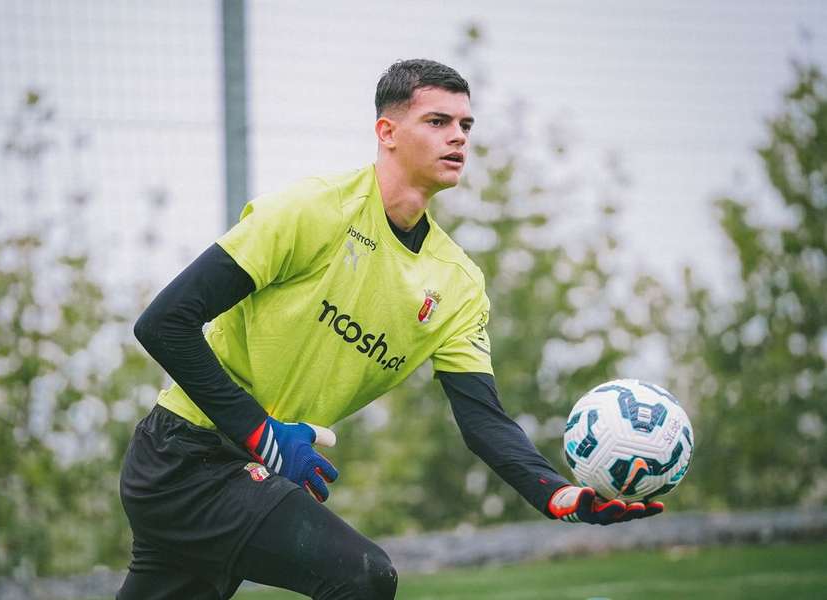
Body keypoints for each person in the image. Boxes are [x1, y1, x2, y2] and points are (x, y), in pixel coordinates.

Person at [117, 58, 664, 600]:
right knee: (362, 577)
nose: (458, 138)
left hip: (240, 470)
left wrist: (557, 494)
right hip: (184, 459)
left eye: (466, 126)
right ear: (388, 132)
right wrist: (262, 433)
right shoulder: (314, 209)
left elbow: (483, 421)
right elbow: (165, 323)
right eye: (438, 122)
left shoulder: (458, 285)